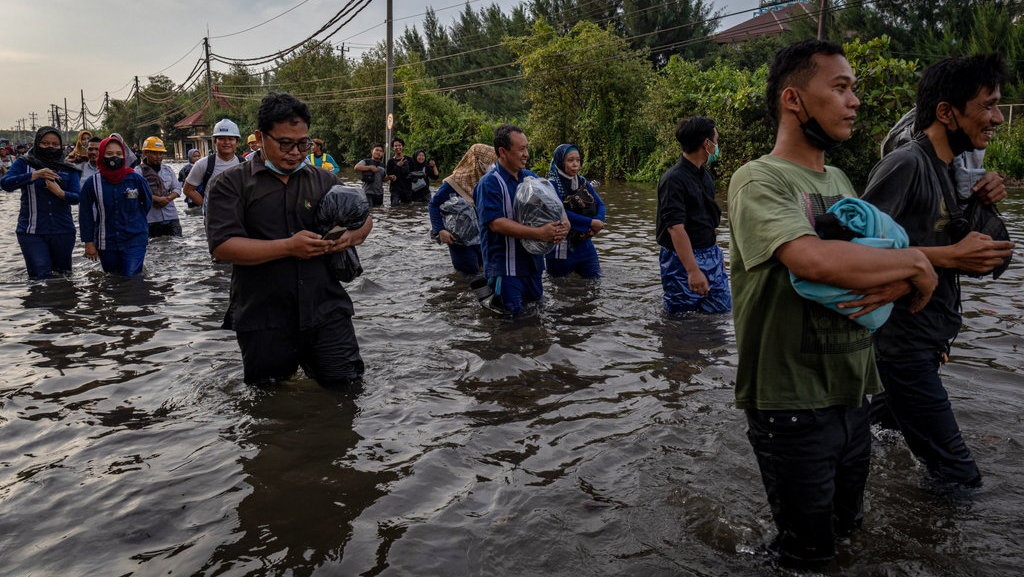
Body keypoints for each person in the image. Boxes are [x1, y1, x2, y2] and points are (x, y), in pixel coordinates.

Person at [727, 39, 938, 567]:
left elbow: (869, 260)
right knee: (807, 554)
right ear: (794, 99)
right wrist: (915, 265)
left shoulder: (841, 180)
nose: (855, 100)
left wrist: (900, 275)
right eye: (840, 87)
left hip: (852, 390)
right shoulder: (759, 178)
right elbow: (813, 261)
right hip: (790, 402)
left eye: (854, 89)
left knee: (848, 529)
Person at [860, 54, 1015, 489]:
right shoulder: (906, 164)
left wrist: (984, 205)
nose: (998, 118)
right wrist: (948, 257)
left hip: (928, 341)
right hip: (903, 349)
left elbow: (995, 260)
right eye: (987, 105)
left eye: (998, 104)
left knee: (877, 434)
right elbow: (856, 253)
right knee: (960, 477)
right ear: (947, 112)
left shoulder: (954, 171)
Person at [205, 91, 372, 388]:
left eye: (302, 144)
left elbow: (364, 218)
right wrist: (288, 247)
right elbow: (223, 246)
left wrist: (351, 237)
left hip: (326, 309)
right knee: (270, 407)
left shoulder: (323, 179)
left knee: (347, 393)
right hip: (264, 316)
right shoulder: (231, 183)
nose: (295, 152)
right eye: (285, 143)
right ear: (260, 137)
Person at [476, 125, 567, 315]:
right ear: (503, 152)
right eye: (521, 149)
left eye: (527, 148)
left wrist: (564, 225)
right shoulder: (490, 183)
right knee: (511, 324)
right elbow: (496, 223)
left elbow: (554, 203)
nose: (526, 154)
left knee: (536, 319)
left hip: (533, 266)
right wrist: (539, 233)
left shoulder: (530, 177)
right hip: (506, 270)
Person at [656, 117, 731, 313]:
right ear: (706, 144)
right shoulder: (673, 180)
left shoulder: (705, 176)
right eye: (716, 140)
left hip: (710, 253)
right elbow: (675, 227)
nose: (717, 145)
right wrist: (692, 270)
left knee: (720, 313)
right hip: (681, 260)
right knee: (681, 320)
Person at [0, 126, 82, 279]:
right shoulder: (24, 164)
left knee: (63, 277)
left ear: (61, 146)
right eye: (45, 143)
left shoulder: (69, 169)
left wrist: (60, 192)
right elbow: (5, 184)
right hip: (31, 231)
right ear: (37, 143)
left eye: (55, 144)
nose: (50, 147)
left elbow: (77, 197)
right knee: (39, 276)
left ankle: (63, 302)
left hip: (62, 231)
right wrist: (34, 175)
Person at [79, 134, 153, 276]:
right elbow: (85, 214)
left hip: (135, 239)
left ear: (124, 156)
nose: (115, 157)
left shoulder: (136, 179)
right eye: (109, 153)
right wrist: (88, 243)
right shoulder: (92, 183)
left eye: (119, 154)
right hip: (106, 241)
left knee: (131, 277)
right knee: (113, 278)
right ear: (101, 155)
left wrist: (135, 221)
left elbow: (147, 203)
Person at [427, 143, 497, 276]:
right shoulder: (454, 182)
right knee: (466, 275)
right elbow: (433, 205)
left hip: (481, 238)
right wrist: (440, 230)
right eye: (488, 162)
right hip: (459, 240)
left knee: (485, 273)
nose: (492, 166)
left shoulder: (486, 182)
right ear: (476, 162)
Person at [545, 143, 605, 279]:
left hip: (584, 244)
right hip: (560, 248)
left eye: (578, 160)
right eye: (570, 160)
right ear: (560, 162)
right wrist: (590, 223)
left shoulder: (582, 181)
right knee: (559, 288)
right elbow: (559, 213)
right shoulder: (551, 185)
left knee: (595, 282)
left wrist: (599, 222)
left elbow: (600, 204)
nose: (575, 164)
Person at [183, 118, 242, 209]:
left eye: (231, 139)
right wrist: (206, 206)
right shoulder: (203, 164)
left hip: (240, 216)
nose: (226, 142)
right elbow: (188, 190)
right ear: (214, 141)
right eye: (221, 138)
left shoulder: (244, 163)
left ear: (237, 142)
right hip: (214, 220)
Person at [137, 136, 183, 238]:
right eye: (154, 153)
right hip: (151, 219)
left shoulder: (168, 170)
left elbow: (177, 188)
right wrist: (156, 199)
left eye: (161, 153)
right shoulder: (138, 171)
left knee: (178, 246)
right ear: (146, 153)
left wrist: (167, 199)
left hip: (171, 217)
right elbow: (138, 192)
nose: (158, 156)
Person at [386, 137, 412, 206]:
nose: (398, 147)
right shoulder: (390, 161)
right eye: (395, 146)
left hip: (407, 189)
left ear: (403, 147)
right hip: (395, 190)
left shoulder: (409, 159)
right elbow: (389, 175)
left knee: (408, 209)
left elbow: (413, 172)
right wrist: (397, 166)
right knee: (394, 208)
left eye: (400, 145)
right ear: (393, 148)